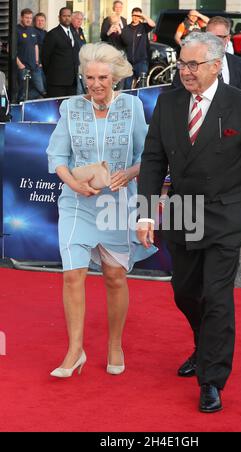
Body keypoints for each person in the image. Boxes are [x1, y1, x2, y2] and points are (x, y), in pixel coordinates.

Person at [137, 32, 241, 413]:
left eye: (194, 64)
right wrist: (147, 212)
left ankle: (212, 379)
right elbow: (152, 160)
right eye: (182, 63)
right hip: (183, 213)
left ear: (216, 65)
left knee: (217, 297)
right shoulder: (167, 104)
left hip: (226, 214)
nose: (186, 72)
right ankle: (204, 343)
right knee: (184, 292)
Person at [46, 43, 156, 378]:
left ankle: (114, 344)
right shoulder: (71, 107)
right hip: (77, 201)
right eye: (89, 77)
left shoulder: (133, 108)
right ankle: (74, 351)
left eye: (102, 77)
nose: (95, 83)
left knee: (114, 277)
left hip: (117, 203)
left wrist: (130, 173)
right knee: (72, 275)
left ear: (115, 77)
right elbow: (57, 157)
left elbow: (148, 156)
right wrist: (73, 183)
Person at [173, 16, 241, 94]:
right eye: (210, 36)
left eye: (218, 37)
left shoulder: (238, 63)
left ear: (227, 39)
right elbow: (176, 92)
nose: (213, 41)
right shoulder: (188, 63)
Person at [42, 7, 80, 98]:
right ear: (59, 17)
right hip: (57, 81)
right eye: (64, 16)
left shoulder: (74, 32)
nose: (67, 18)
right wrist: (51, 74)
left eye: (69, 16)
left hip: (72, 80)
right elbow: (45, 57)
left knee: (70, 108)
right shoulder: (52, 34)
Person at [121, 8, 156, 89]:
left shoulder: (143, 27)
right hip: (128, 63)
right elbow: (123, 42)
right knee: (127, 86)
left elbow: (153, 24)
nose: (136, 17)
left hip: (141, 61)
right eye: (134, 15)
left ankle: (140, 101)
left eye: (138, 16)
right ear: (131, 16)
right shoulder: (126, 29)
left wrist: (143, 16)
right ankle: (128, 101)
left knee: (142, 86)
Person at [17, 8, 46, 101]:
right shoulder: (16, 30)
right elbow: (10, 49)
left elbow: (35, 45)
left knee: (41, 89)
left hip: (34, 66)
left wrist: (37, 61)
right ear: (21, 17)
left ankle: (24, 101)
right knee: (22, 91)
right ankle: (21, 104)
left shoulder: (32, 30)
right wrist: (20, 65)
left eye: (30, 18)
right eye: (26, 17)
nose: (28, 20)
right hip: (23, 67)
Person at [71, 11, 87, 95]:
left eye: (81, 19)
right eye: (77, 19)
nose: (79, 21)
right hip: (73, 64)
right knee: (78, 88)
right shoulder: (69, 30)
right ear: (72, 19)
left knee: (83, 87)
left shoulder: (80, 31)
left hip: (82, 63)